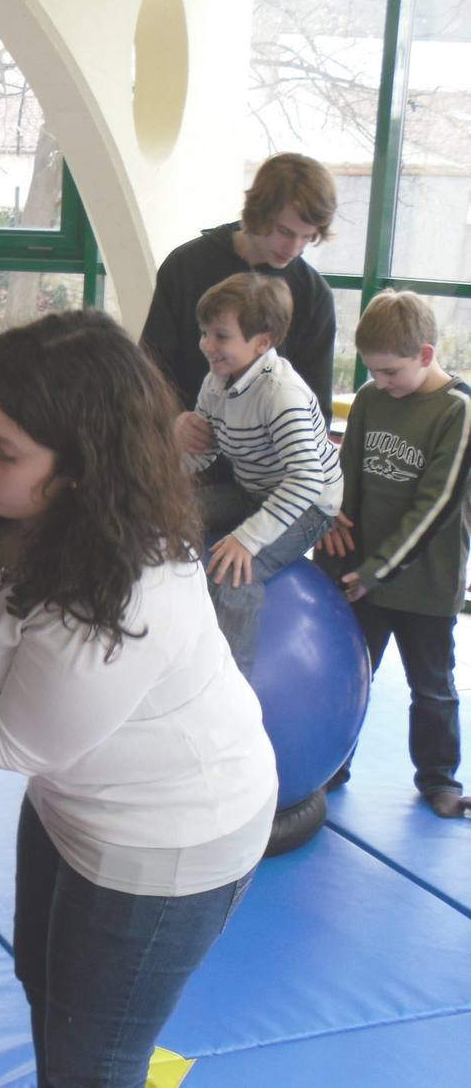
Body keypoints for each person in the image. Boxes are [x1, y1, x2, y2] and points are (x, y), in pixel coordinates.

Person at [0, 311, 277, 1086]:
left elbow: (15, 741)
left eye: (2, 449)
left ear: (80, 471)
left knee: (93, 1062)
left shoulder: (123, 593)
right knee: (43, 986)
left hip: (170, 836)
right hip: (77, 798)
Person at [318, 290, 471, 820]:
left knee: (431, 686)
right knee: (350, 675)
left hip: (422, 581)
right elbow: (350, 471)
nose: (380, 383)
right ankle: (330, 764)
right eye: (373, 372)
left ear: (426, 355)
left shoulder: (457, 411)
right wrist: (335, 519)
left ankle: (438, 779)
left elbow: (437, 506)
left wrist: (376, 570)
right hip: (360, 576)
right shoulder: (369, 397)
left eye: (390, 372)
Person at [178, 273, 342, 679]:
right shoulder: (216, 382)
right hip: (253, 489)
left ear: (262, 343)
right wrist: (165, 483)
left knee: (233, 577)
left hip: (310, 504)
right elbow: (206, 451)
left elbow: (307, 480)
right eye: (204, 333)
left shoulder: (279, 394)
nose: (207, 346)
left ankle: (230, 693)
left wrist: (247, 540)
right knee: (166, 512)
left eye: (221, 336)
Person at [142, 151, 338, 420]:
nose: (294, 248)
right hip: (184, 451)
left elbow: (315, 412)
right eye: (284, 232)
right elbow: (151, 374)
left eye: (308, 237)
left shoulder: (314, 295)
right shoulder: (185, 267)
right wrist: (172, 427)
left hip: (272, 460)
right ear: (257, 213)